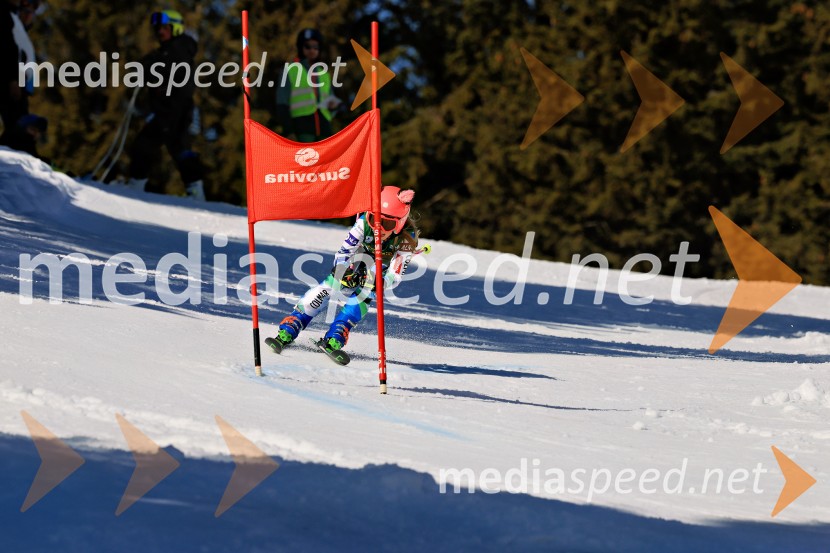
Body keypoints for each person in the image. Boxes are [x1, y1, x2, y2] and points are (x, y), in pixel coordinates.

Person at [266, 186, 419, 354]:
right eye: (375, 219)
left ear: (401, 222)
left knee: (365, 292)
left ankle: (339, 330)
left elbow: (395, 275)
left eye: (388, 223)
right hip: (355, 260)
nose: (379, 227)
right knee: (332, 284)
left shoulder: (407, 239)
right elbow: (344, 251)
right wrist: (343, 270)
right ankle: (295, 321)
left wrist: (382, 282)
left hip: (377, 269)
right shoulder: (363, 222)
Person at [125, 9, 205, 201]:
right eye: (158, 29)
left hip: (175, 109)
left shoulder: (179, 49)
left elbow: (170, 74)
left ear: (175, 28)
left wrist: (150, 74)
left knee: (155, 146)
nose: (160, 32)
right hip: (166, 110)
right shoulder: (167, 50)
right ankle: (195, 191)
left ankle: (136, 186)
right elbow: (152, 65)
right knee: (170, 148)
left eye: (165, 28)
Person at [276, 28, 342, 143]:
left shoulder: (324, 73)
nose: (312, 50)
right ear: (301, 47)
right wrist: (289, 131)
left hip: (324, 131)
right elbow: (282, 104)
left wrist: (334, 106)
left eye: (316, 47)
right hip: (301, 131)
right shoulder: (290, 70)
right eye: (307, 46)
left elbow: (331, 99)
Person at [0, 0, 42, 157]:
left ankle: (31, 159)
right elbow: (8, 50)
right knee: (20, 128)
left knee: (20, 127)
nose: (29, 15)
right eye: (25, 10)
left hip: (21, 83)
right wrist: (13, 79)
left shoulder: (20, 30)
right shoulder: (9, 18)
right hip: (12, 80)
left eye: (32, 12)